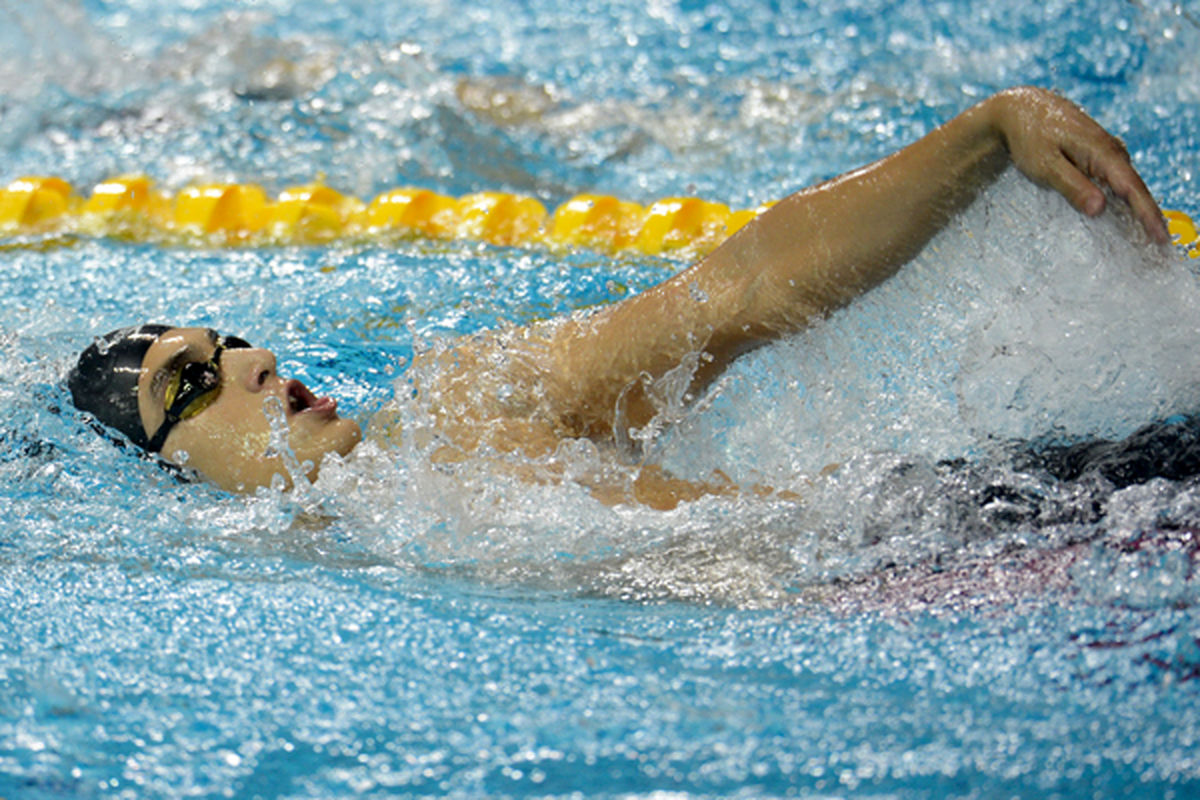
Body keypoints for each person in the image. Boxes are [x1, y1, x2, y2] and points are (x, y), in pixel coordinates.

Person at [67, 87, 1172, 507]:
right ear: (162, 476)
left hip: (971, 539)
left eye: (236, 342)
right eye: (198, 382)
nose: (257, 363)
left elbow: (729, 294)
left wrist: (985, 136)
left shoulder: (460, 408)